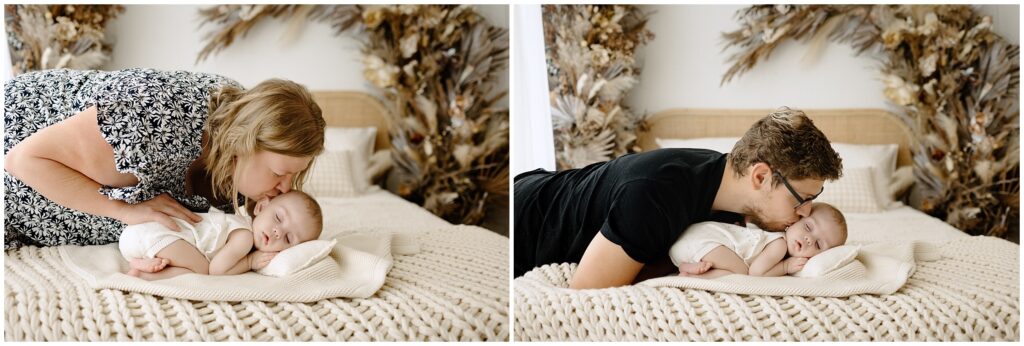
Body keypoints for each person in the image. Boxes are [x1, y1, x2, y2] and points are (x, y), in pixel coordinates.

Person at [514, 107, 843, 289]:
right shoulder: (655, 195)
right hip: (526, 211)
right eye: (802, 199)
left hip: (557, 184)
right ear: (760, 176)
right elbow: (586, 292)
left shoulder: (725, 190)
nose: (805, 214)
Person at [4, 68, 326, 249]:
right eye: (279, 173)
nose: (285, 189)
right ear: (245, 142)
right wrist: (123, 211)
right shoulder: (155, 119)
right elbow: (23, 160)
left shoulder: (237, 168)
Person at [120, 190, 324, 280]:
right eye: (278, 218)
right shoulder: (243, 237)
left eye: (289, 239)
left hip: (139, 235)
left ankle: (144, 262)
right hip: (154, 233)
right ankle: (143, 274)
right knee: (201, 269)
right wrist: (250, 262)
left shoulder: (236, 224)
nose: (278, 232)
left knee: (191, 259)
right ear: (261, 206)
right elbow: (216, 270)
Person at [671, 202, 848, 279]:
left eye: (818, 244)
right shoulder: (778, 244)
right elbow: (756, 273)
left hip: (687, 245)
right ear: (795, 220)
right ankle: (691, 275)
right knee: (740, 272)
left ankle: (688, 266)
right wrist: (785, 267)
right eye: (808, 227)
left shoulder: (770, 235)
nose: (809, 239)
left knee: (735, 266)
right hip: (699, 241)